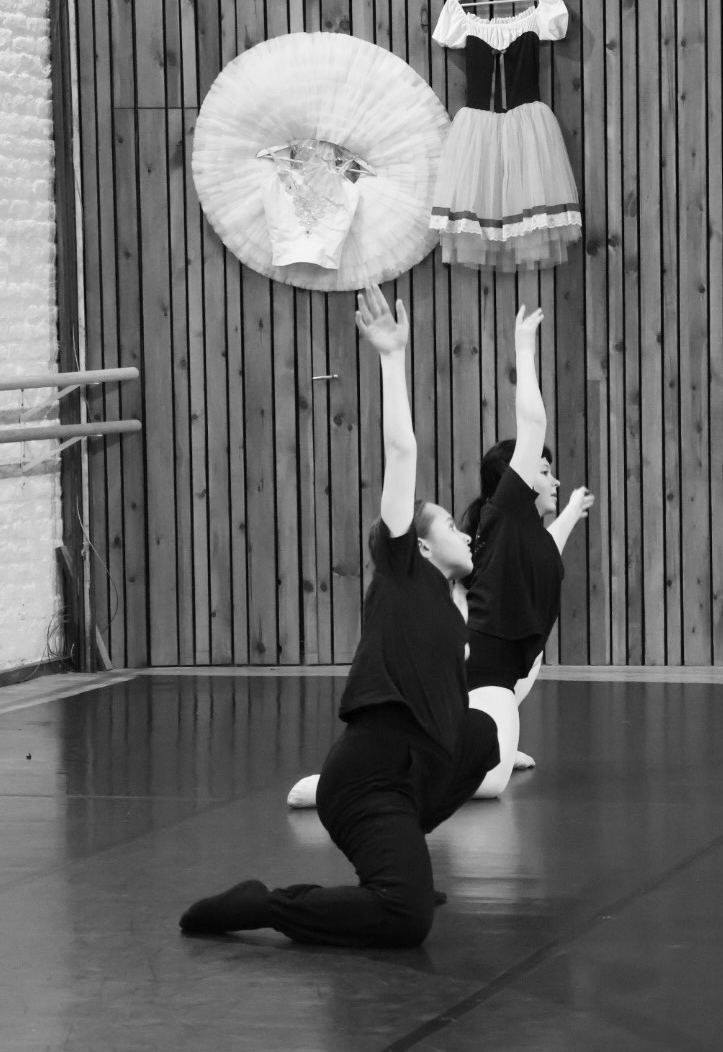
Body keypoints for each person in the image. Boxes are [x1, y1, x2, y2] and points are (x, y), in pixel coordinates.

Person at [180, 285, 498, 947]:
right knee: (405, 920)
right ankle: (267, 904)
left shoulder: (450, 602)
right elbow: (402, 453)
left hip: (416, 772)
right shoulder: (402, 569)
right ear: (418, 542)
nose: (465, 532)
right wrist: (392, 360)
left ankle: (400, 857)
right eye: (448, 525)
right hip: (369, 777)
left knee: (480, 733)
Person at [463, 304, 593, 798]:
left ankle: (492, 733)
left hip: (510, 676)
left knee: (499, 745)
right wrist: (525, 349)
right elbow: (532, 423)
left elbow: (549, 551)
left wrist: (572, 511)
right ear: (515, 482)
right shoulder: (507, 512)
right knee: (490, 784)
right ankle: (346, 787)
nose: (553, 477)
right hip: (486, 674)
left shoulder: (525, 537)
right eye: (543, 470)